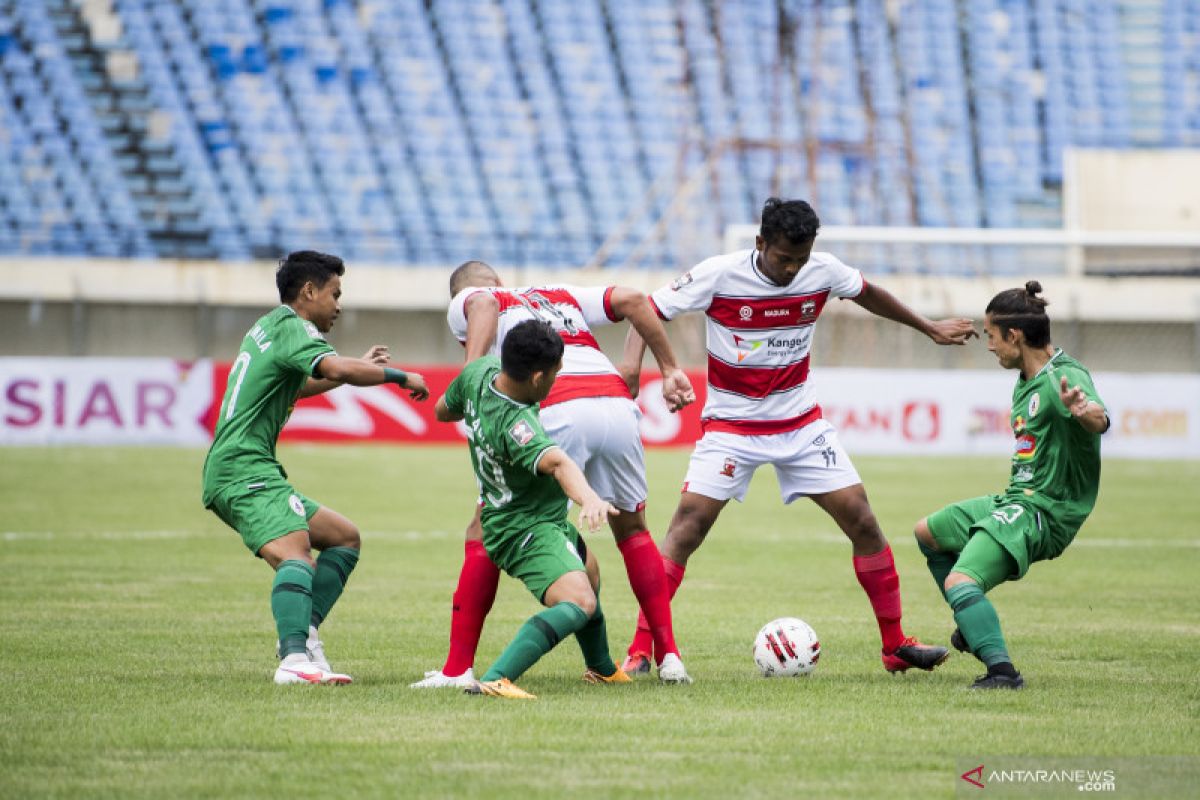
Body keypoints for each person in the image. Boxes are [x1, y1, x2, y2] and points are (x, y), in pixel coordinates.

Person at [619, 197, 977, 676]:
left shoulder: (821, 271)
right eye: (783, 258)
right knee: (686, 530)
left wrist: (928, 327)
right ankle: (643, 649)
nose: (792, 269)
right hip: (732, 429)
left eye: (800, 260)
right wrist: (636, 368)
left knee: (863, 521)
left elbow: (866, 291)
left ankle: (895, 645)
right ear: (760, 242)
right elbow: (646, 309)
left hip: (801, 425)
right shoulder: (719, 275)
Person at [411, 261, 696, 688]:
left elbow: (484, 302)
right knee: (633, 529)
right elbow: (637, 299)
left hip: (557, 400)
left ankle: (458, 670)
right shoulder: (559, 293)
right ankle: (668, 656)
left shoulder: (474, 298)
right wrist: (666, 367)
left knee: (485, 525)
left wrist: (472, 376)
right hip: (615, 401)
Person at [201, 250, 429, 685]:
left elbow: (299, 384)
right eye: (334, 293)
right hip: (242, 469)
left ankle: (303, 632)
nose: (338, 305)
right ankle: (293, 661)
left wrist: (350, 369)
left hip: (245, 466)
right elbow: (333, 365)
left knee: (343, 538)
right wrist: (401, 377)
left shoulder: (270, 327)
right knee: (297, 555)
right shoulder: (295, 327)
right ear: (308, 291)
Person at [914, 281, 1108, 689]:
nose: (989, 345)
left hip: (1046, 511)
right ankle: (971, 624)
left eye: (991, 335)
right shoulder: (1025, 378)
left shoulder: (1064, 377)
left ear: (1013, 335)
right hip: (1017, 499)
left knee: (960, 581)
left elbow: (1098, 418)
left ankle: (1002, 672)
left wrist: (1083, 410)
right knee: (929, 533)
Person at [436, 319, 628, 699]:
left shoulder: (479, 372)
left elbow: (444, 409)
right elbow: (558, 463)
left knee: (590, 573)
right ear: (538, 377)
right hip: (522, 527)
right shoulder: (516, 426)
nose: (557, 380)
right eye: (556, 373)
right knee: (579, 601)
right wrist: (589, 498)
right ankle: (496, 677)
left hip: (537, 514)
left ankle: (601, 668)